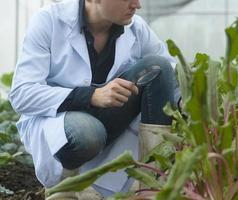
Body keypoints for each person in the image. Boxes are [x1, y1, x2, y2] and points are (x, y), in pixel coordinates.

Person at [9, 0, 181, 199]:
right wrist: (91, 95)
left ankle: (151, 185)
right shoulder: (49, 21)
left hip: (108, 121)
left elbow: (171, 75)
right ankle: (65, 187)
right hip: (59, 123)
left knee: (157, 66)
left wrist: (182, 102)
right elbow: (22, 93)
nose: (137, 4)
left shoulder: (136, 28)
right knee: (87, 133)